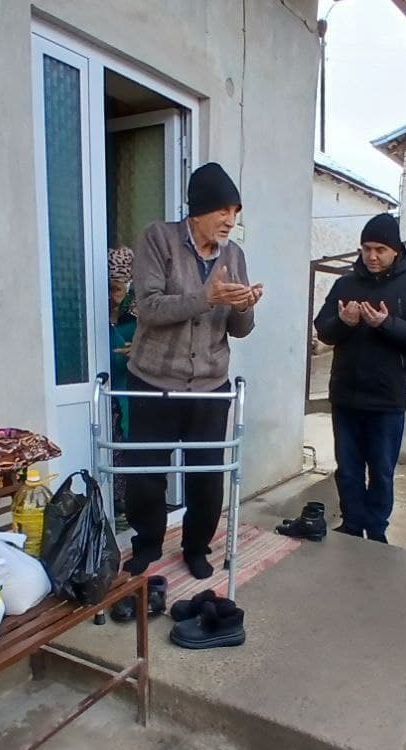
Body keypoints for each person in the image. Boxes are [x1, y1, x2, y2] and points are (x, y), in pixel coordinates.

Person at [125, 162, 262, 579]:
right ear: (198, 210)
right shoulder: (158, 239)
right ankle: (147, 544)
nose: (230, 221)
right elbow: (146, 307)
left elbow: (239, 330)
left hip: (209, 386)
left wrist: (243, 305)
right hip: (153, 381)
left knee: (207, 476)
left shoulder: (234, 254)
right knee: (146, 475)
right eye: (223, 210)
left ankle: (197, 547)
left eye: (235, 212)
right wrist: (206, 297)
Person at [313, 213, 406, 542]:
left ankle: (377, 530)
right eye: (366, 248)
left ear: (396, 250)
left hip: (387, 399)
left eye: (380, 249)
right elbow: (323, 329)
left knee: (381, 471)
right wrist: (344, 323)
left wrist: (386, 324)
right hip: (346, 395)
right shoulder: (345, 284)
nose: (372, 256)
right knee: (348, 467)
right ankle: (352, 524)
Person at [107, 246, 137, 529]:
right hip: (107, 391)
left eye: (118, 290)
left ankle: (128, 506)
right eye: (110, 288)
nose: (113, 296)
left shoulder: (135, 317)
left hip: (130, 391)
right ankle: (112, 505)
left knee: (130, 449)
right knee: (112, 447)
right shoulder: (96, 316)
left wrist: (139, 351)